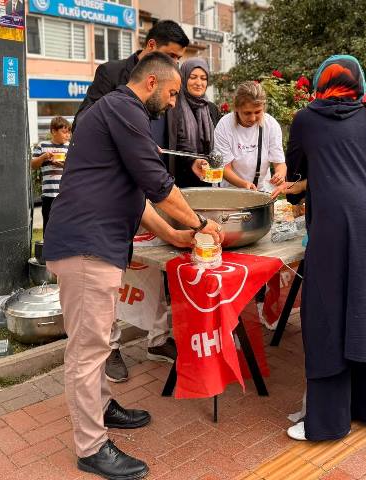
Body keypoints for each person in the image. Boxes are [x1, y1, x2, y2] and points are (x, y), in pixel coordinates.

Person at [43, 52, 224, 479]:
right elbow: (158, 185)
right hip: (87, 247)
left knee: (101, 338)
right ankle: (91, 447)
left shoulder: (115, 113)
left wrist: (173, 236)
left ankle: (103, 407)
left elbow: (135, 197)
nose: (175, 103)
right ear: (151, 84)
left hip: (94, 244)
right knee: (88, 351)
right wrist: (199, 223)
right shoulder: (125, 110)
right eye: (173, 93)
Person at [285, 55, 366, 442]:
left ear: (319, 82)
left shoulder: (307, 119)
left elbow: (296, 174)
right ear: (358, 82)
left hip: (340, 226)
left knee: (327, 318)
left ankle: (327, 421)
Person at [73, 20, 202, 379]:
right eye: (171, 57)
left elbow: (170, 145)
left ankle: (158, 339)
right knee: (103, 293)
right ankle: (109, 351)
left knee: (152, 272)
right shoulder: (115, 81)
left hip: (146, 190)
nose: (176, 66)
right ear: (150, 48)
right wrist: (132, 141)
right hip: (112, 203)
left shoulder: (167, 89)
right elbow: (85, 123)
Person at [214, 81, 286, 193]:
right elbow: (224, 168)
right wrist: (244, 185)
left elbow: (280, 163)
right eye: (247, 113)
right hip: (229, 192)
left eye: (258, 112)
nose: (253, 118)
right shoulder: (224, 125)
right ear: (236, 108)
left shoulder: (271, 125)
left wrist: (280, 175)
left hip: (261, 190)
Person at [168, 57, 222, 187]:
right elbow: (176, 141)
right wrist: (192, 160)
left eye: (203, 78)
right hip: (179, 179)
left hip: (207, 179)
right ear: (183, 78)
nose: (199, 83)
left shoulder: (211, 109)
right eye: (193, 77)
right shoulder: (173, 107)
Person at [31, 116, 71, 233]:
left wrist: (62, 165)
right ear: (53, 131)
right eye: (64, 132)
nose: (67, 135)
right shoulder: (42, 146)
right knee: (48, 224)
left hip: (65, 194)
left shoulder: (69, 147)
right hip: (49, 194)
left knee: (65, 225)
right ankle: (48, 248)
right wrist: (43, 157)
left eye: (68, 132)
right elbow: (33, 165)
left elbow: (74, 167)